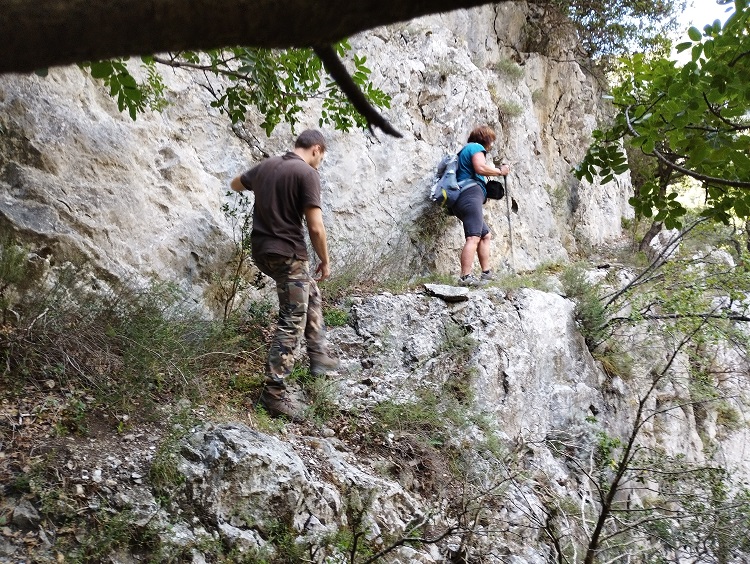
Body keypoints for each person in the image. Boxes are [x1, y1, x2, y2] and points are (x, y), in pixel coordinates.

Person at [230, 129, 340, 422]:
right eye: (322, 158)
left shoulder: (267, 166)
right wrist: (325, 260)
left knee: (310, 293)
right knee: (292, 318)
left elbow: (236, 183)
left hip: (263, 250)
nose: (320, 163)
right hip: (287, 252)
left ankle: (319, 357)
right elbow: (315, 227)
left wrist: (266, 189)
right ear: (316, 149)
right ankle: (274, 393)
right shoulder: (306, 173)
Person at [452, 126, 510, 286]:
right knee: (473, 237)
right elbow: (480, 167)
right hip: (470, 195)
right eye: (491, 140)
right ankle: (465, 277)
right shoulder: (476, 147)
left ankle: (486, 273)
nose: (491, 144)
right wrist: (500, 171)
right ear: (486, 138)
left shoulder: (464, 151)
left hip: (463, 198)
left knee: (485, 235)